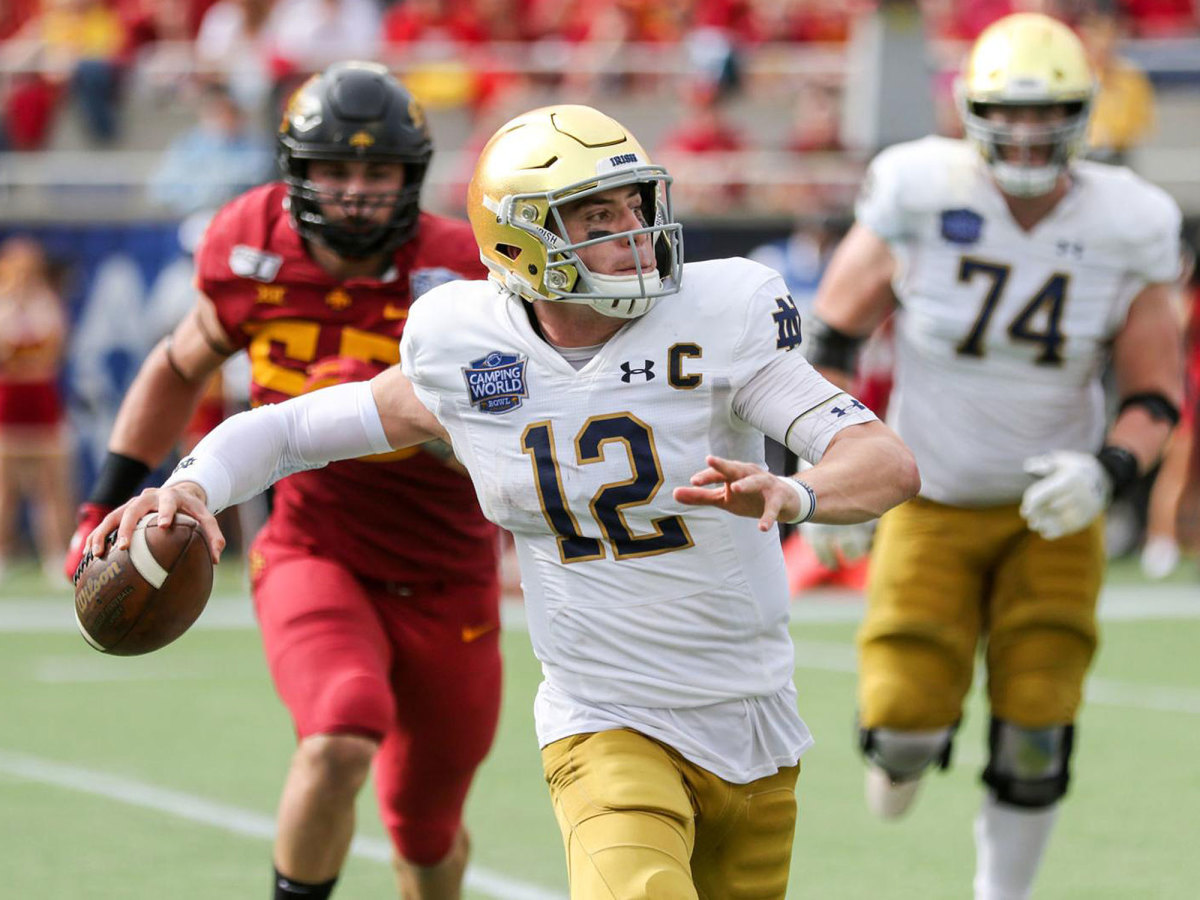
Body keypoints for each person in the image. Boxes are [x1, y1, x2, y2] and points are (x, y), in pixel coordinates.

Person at [87, 103, 921, 900]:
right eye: (597, 219)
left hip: (752, 712)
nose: (635, 232)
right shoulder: (468, 348)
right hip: (605, 717)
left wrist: (799, 490)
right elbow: (291, 430)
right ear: (526, 240)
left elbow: (883, 460)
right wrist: (190, 483)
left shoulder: (720, 317)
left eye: (637, 205)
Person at [65, 62, 502, 900]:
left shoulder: (462, 275)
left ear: (411, 178)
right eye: (335, 169)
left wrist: (394, 427)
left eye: (378, 173)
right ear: (296, 173)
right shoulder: (250, 243)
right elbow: (178, 363)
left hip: (449, 570)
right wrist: (102, 501)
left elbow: (505, 435)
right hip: (314, 550)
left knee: (425, 831)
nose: (357, 192)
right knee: (339, 732)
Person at [807, 13, 1184, 900]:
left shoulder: (1129, 222)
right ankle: (901, 758)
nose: (1025, 132)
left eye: (1047, 111)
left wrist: (1107, 472)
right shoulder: (918, 192)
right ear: (971, 113)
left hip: (1054, 512)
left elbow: (1154, 393)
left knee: (1038, 722)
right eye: (1006, 114)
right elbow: (824, 345)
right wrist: (825, 471)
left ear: (1084, 115)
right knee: (902, 721)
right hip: (927, 498)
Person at [0, 236, 72, 582]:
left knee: (50, 485)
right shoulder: (4, 303)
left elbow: (51, 352)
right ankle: (3, 553)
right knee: (5, 489)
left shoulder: (48, 303)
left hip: (42, 404)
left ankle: (56, 554)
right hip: (8, 406)